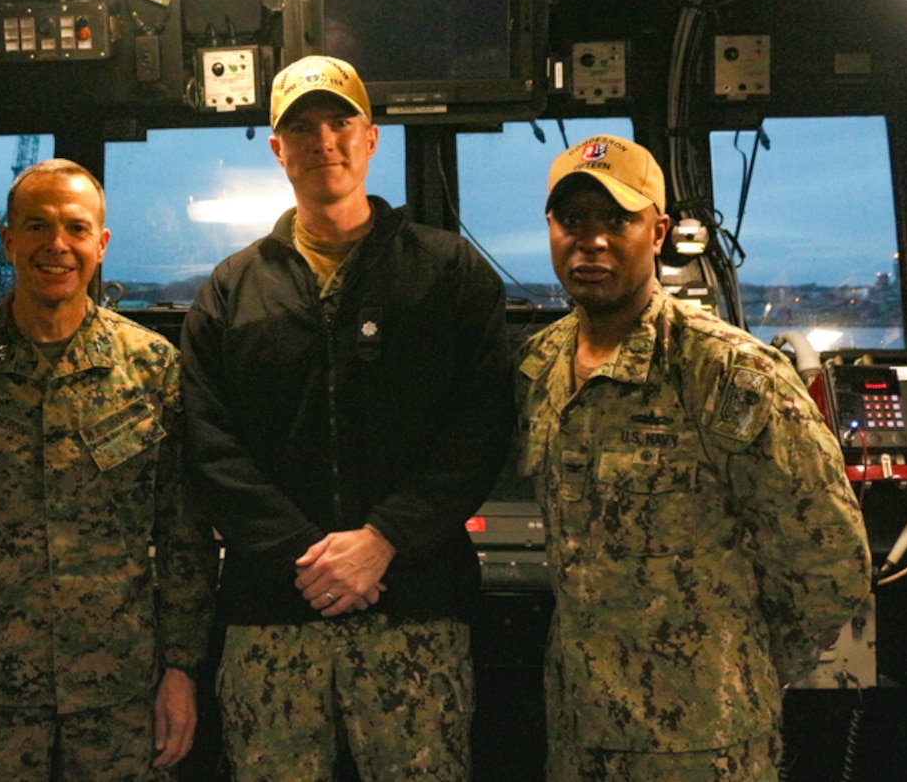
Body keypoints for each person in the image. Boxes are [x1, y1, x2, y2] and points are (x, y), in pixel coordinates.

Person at [179, 55, 516, 781]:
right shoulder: (231, 291)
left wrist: (385, 538)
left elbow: (482, 427)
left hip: (415, 614)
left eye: (339, 123)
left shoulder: (450, 274)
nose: (322, 141)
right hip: (272, 615)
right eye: (301, 127)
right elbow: (210, 447)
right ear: (277, 150)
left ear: (371, 139)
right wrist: (307, 555)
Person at [519, 135, 871, 781]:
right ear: (549, 227)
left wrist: (739, 670)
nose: (591, 240)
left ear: (656, 233)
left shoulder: (730, 373)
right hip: (575, 731)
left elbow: (831, 565)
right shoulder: (538, 367)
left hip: (705, 745)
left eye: (616, 220)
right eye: (573, 220)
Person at [0, 158, 216, 782]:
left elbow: (182, 537)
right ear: (8, 239)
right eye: (36, 227)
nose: (56, 245)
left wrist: (181, 669)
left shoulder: (151, 371)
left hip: (121, 695)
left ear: (101, 244)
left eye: (76, 228)